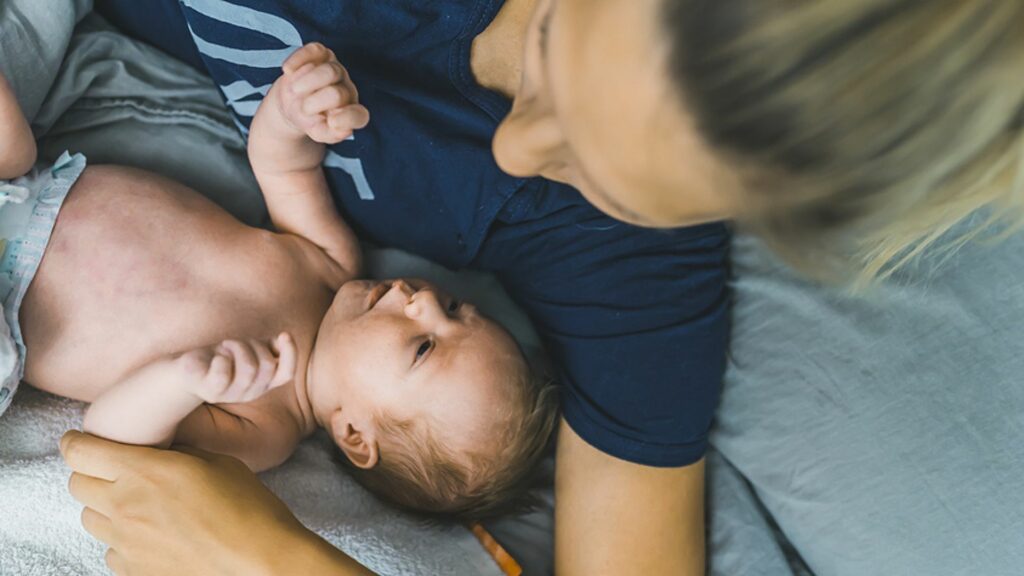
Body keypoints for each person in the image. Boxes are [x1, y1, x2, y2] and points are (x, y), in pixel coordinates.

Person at [61, 0, 1024, 574]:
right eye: (554, 44)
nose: (513, 148)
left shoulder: (638, 272)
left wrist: (280, 562)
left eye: (607, 178)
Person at [0, 43, 556, 522]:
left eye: (423, 347)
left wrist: (180, 382)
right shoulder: (331, 263)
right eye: (455, 307)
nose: (425, 300)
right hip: (26, 183)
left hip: (11, 304)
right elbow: (284, 169)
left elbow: (111, 434)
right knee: (11, 139)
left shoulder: (265, 427)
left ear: (356, 435)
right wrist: (293, 117)